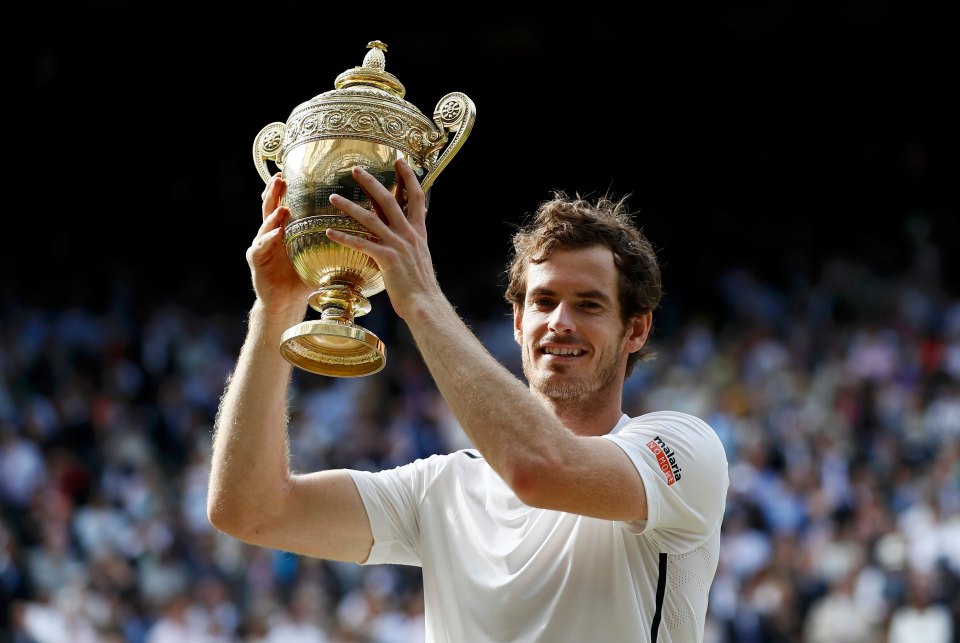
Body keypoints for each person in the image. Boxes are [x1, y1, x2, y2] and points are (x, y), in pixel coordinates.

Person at [207, 158, 730, 642]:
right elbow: (249, 510)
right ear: (519, 322)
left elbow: (539, 470)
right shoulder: (443, 487)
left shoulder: (683, 449)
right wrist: (276, 310)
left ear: (636, 329)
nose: (560, 322)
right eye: (543, 301)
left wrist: (421, 298)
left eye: (589, 304)